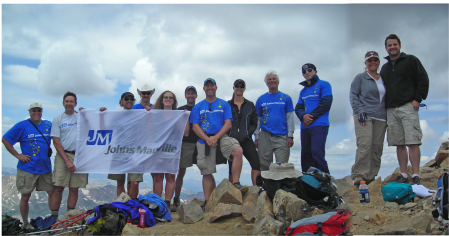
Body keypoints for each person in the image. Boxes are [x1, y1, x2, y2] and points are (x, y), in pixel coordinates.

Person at [380, 34, 429, 185]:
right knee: (399, 143)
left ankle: (415, 175)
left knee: (413, 141)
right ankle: (403, 174)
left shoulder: (411, 60)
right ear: (386, 48)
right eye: (389, 45)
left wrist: (417, 99)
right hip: (391, 110)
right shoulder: (385, 68)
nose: (392, 47)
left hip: (408, 106)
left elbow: (423, 79)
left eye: (395, 44)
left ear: (400, 46)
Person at [190, 78, 248, 207]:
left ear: (216, 88)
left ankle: (236, 184)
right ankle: (207, 201)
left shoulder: (224, 104)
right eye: (207, 86)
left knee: (238, 151)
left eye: (212, 86)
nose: (210, 88)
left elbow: (228, 124)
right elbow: (195, 126)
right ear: (204, 88)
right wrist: (207, 139)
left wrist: (215, 138)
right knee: (206, 172)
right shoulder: (198, 106)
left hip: (221, 136)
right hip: (204, 139)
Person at [2, 103, 54, 227]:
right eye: (34, 110)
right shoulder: (22, 125)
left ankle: (54, 219)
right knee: (25, 196)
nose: (36, 112)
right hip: (28, 168)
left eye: (39, 110)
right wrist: (18, 155)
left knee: (52, 193)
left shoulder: (48, 125)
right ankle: (25, 223)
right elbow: (5, 139)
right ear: (30, 112)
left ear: (42, 111)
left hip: (45, 168)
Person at [349, 51, 387, 185]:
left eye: (375, 60)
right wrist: (359, 111)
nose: (373, 63)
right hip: (364, 115)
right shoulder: (360, 78)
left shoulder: (383, 78)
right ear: (365, 63)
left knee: (377, 147)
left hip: (381, 117)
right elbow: (353, 95)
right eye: (370, 60)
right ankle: (359, 175)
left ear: (378, 62)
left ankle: (371, 176)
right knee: (365, 144)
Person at [50, 92, 89, 220]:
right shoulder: (58, 119)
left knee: (74, 189)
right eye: (67, 101)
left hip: (79, 157)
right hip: (63, 156)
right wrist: (67, 161)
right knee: (58, 188)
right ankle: (53, 218)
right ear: (63, 103)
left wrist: (99, 112)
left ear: (76, 104)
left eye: (71, 101)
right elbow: (56, 141)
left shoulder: (81, 117)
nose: (69, 104)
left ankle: (69, 217)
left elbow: (96, 122)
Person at [100, 92, 143, 198]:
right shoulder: (116, 117)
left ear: (133, 101)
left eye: (131, 99)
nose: (129, 101)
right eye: (126, 99)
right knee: (120, 182)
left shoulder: (140, 115)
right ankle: (122, 206)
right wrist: (101, 116)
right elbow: (103, 131)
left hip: (135, 153)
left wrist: (150, 113)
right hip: (118, 152)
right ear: (121, 101)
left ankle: (131, 206)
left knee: (134, 183)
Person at [152, 90, 188, 209]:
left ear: (174, 101)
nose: (168, 99)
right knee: (158, 177)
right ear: (162, 100)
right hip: (158, 150)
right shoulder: (155, 114)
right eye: (166, 97)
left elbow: (186, 132)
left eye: (170, 97)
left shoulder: (178, 115)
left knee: (170, 177)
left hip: (172, 149)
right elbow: (148, 130)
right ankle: (157, 204)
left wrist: (184, 118)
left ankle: (167, 204)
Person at [295, 63, 333, 173]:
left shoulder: (324, 84)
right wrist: (303, 117)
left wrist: (310, 117)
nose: (307, 72)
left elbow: (326, 103)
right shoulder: (303, 91)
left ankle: (325, 180)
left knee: (316, 152)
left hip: (319, 124)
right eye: (304, 71)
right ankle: (308, 181)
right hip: (305, 127)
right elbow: (298, 108)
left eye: (309, 70)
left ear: (315, 71)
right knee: (306, 155)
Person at [254, 70, 295, 171]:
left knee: (282, 166)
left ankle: (280, 187)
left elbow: (290, 118)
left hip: (282, 136)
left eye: (274, 79)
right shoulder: (261, 99)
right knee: (264, 166)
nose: (272, 81)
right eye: (269, 79)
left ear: (278, 81)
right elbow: (257, 120)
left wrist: (290, 136)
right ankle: (266, 186)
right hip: (265, 135)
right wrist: (257, 137)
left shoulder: (286, 98)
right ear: (266, 83)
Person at [227, 79, 261, 185]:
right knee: (231, 167)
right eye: (237, 86)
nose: (239, 88)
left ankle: (256, 190)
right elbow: (223, 121)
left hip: (246, 139)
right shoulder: (227, 105)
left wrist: (248, 133)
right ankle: (232, 192)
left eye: (241, 86)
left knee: (256, 163)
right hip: (232, 140)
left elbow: (254, 123)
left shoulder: (250, 105)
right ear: (233, 88)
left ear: (244, 89)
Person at [172, 86, 200, 211]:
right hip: (185, 143)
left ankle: (210, 197)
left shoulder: (201, 108)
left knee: (207, 170)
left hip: (200, 141)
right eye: (188, 93)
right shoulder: (179, 110)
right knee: (181, 172)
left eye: (192, 93)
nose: (190, 95)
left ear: (196, 95)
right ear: (185, 96)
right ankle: (176, 198)